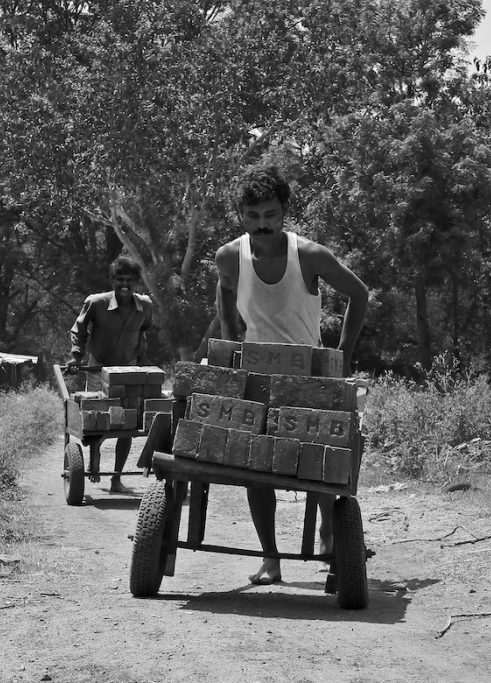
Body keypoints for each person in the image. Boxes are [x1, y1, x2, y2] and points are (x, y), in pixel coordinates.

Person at [215, 165, 368, 584]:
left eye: (270, 214)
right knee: (254, 468)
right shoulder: (229, 256)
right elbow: (226, 293)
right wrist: (231, 346)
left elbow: (359, 293)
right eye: (252, 216)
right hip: (256, 374)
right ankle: (271, 558)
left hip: (308, 373)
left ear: (284, 212)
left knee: (317, 462)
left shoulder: (310, 255)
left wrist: (344, 354)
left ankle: (330, 538)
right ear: (240, 215)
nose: (261, 224)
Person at [68, 255, 154, 493]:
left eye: (129, 280)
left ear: (136, 281)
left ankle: (116, 478)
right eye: (119, 280)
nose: (124, 285)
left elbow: (144, 332)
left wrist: (143, 361)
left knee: (127, 424)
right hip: (99, 367)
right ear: (113, 280)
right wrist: (76, 356)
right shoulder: (96, 303)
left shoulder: (145, 305)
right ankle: (94, 463)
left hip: (128, 369)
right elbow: (79, 330)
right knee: (98, 420)